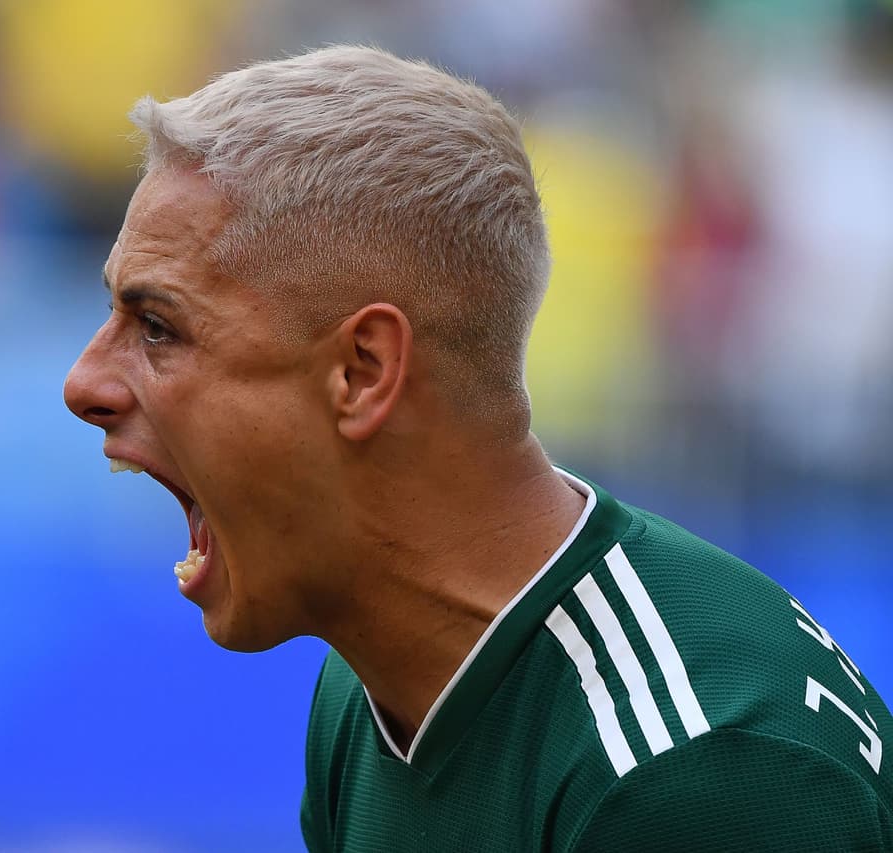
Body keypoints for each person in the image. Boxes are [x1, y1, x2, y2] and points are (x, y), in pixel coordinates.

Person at [62, 45, 893, 851]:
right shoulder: (372, 683)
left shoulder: (698, 778)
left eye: (158, 327)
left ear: (362, 370)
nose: (83, 382)